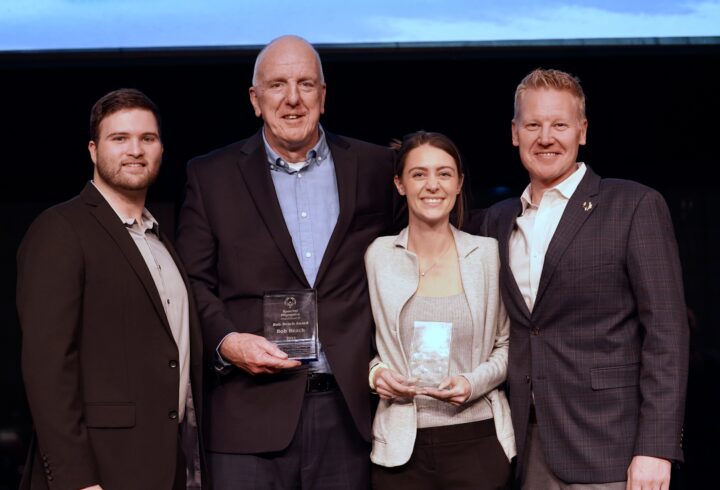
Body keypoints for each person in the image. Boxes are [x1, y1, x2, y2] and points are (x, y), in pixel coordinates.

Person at [175, 35, 401, 489]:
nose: (293, 99)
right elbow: (192, 282)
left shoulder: (376, 167)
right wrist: (226, 342)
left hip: (348, 414)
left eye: (306, 84)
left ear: (324, 95)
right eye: (277, 85)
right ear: (255, 100)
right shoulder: (211, 176)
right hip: (247, 419)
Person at [467, 68, 689, 489]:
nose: (545, 137)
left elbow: (667, 334)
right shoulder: (495, 221)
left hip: (613, 448)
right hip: (525, 446)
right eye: (533, 124)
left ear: (582, 131)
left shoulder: (633, 206)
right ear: (515, 133)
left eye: (559, 125)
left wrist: (656, 448)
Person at [16, 88, 205, 490]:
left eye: (147, 139)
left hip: (165, 467)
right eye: (119, 138)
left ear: (161, 149)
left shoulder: (161, 241)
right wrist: (76, 479)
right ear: (92, 149)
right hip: (98, 474)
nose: (135, 150)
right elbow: (47, 365)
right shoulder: (61, 229)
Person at [365, 131, 515, 489]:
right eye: (419, 174)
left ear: (459, 183)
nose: (432, 185)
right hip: (400, 448)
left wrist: (471, 382)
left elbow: (508, 346)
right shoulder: (378, 256)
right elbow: (359, 343)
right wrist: (377, 374)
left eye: (444, 173)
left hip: (478, 440)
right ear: (400, 184)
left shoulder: (488, 255)